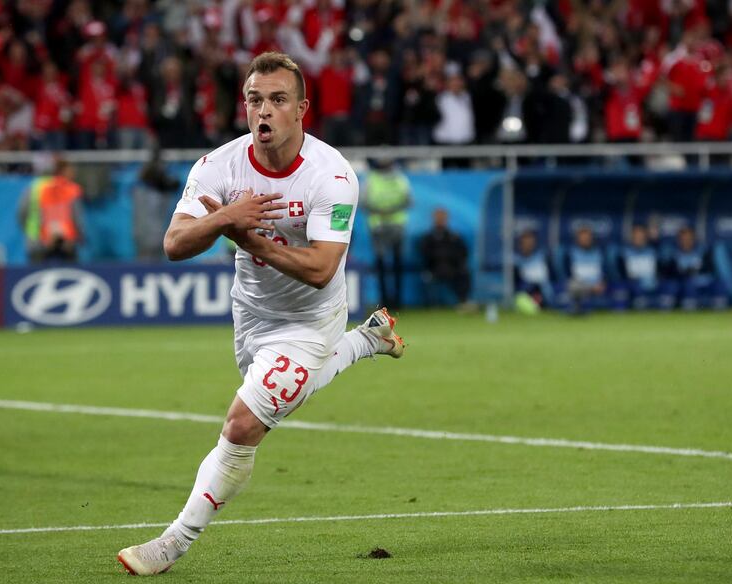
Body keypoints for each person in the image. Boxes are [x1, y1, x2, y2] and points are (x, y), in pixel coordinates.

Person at [116, 52, 405, 576]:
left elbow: (320, 269)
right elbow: (174, 243)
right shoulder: (217, 166)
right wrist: (228, 215)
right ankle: (366, 340)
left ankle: (172, 543)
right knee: (275, 401)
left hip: (313, 317)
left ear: (302, 109)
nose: (263, 111)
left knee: (244, 424)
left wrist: (242, 236)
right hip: (250, 315)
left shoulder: (332, 176)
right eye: (254, 100)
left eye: (277, 99)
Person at [362, 159, 411, 310]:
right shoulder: (397, 179)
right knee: (385, 266)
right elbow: (364, 203)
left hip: (390, 226)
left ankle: (395, 301)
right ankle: (386, 301)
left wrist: (383, 211)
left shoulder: (396, 179)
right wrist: (389, 210)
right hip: (382, 227)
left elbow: (408, 200)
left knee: (395, 265)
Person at [18, 156, 85, 263]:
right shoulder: (66, 187)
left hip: (39, 238)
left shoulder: (33, 187)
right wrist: (78, 235)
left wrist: (30, 231)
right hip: (62, 237)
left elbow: (21, 213)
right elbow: (70, 214)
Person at [419, 208, 473, 310]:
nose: (440, 220)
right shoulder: (428, 237)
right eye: (438, 218)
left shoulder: (454, 236)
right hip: (434, 268)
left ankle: (463, 301)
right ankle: (432, 304)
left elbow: (463, 252)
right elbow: (424, 254)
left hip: (453, 268)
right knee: (428, 276)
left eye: (443, 218)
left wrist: (454, 261)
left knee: (464, 273)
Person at [562, 226, 608, 314]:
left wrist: (603, 283)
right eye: (582, 238)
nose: (585, 240)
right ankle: (578, 306)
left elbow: (605, 273)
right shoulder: (571, 253)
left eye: (587, 238)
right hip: (579, 288)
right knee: (573, 286)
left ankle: (581, 306)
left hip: (597, 288)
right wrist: (590, 288)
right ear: (577, 239)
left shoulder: (599, 253)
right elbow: (568, 275)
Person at [512, 230, 553, 310]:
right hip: (527, 291)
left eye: (531, 242)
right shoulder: (516, 260)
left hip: (544, 289)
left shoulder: (542, 256)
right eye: (526, 242)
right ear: (521, 243)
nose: (529, 244)